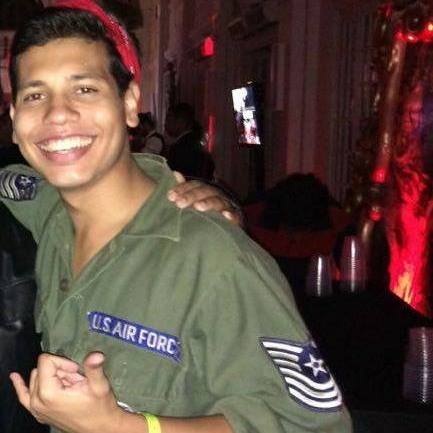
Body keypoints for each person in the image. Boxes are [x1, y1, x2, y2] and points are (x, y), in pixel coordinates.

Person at [4, 2, 351, 433]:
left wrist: (121, 426)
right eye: (35, 95)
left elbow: (311, 426)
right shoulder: (47, 209)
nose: (57, 113)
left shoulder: (215, 258)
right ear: (15, 120)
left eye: (85, 89)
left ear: (130, 103)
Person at [165, 103, 215, 181]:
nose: (165, 124)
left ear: (181, 121)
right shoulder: (195, 141)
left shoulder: (180, 148)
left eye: (169, 120)